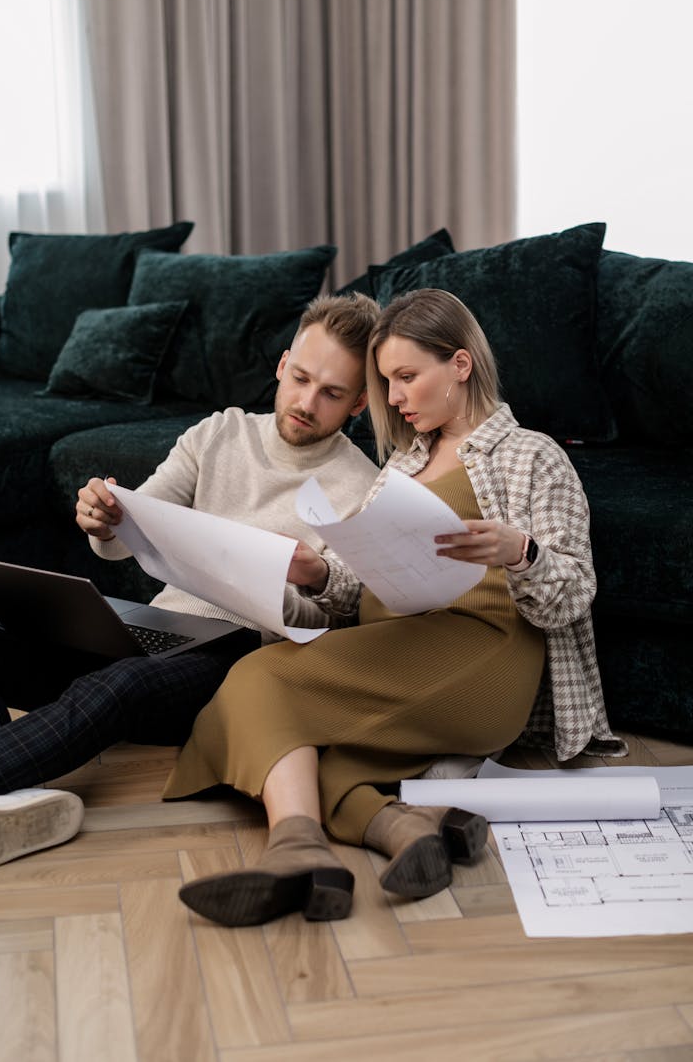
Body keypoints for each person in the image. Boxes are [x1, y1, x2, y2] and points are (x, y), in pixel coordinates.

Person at [166, 287, 625, 928]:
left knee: (256, 678)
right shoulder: (401, 466)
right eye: (387, 382)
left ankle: (297, 848)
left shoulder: (532, 456)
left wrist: (519, 552)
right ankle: (402, 831)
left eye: (407, 378)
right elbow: (356, 589)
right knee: (310, 759)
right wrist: (317, 569)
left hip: (480, 649)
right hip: (398, 642)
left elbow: (572, 595)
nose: (396, 398)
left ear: (460, 365)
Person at [0, 293, 381, 873]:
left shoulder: (362, 486)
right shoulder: (219, 433)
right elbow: (125, 530)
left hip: (234, 653)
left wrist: (283, 577)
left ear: (358, 402)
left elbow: (329, 616)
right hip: (152, 624)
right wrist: (101, 519)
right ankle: (1, 797)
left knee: (118, 686)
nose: (307, 402)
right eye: (301, 378)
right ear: (283, 365)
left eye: (331, 393)